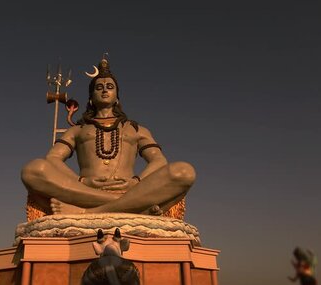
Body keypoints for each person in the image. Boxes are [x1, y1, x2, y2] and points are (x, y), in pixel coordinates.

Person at [21, 57, 195, 216]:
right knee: (33, 169)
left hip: (131, 189)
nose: (104, 90)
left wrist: (136, 182)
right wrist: (81, 181)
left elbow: (159, 161)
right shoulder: (78, 129)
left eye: (110, 87)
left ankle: (89, 212)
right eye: (99, 87)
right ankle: (131, 206)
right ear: (91, 97)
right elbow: (53, 159)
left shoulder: (135, 129)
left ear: (117, 97)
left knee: (184, 171)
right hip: (84, 190)